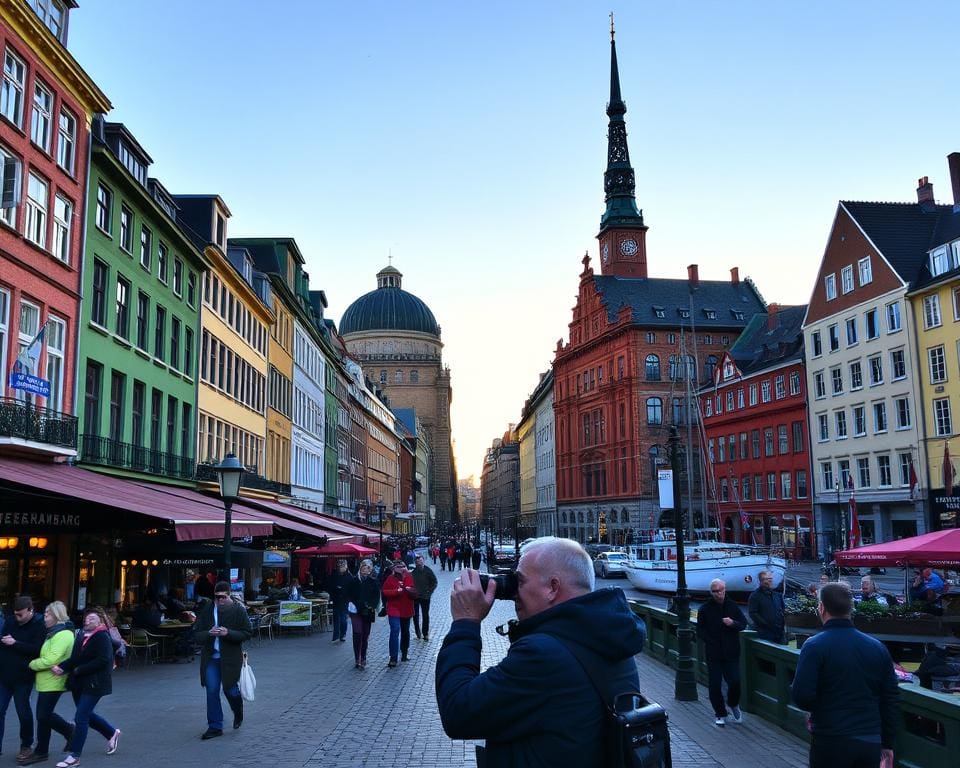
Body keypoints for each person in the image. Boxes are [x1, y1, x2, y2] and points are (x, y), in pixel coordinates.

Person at [436, 537, 646, 767]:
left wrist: (465, 623)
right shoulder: (608, 638)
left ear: (552, 588)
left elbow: (458, 711)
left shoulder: (544, 655)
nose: (514, 592)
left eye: (520, 582)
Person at [791, 582, 899, 768]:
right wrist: (887, 744)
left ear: (822, 608)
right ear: (851, 609)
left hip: (831, 738)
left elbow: (802, 696)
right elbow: (890, 699)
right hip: (869, 739)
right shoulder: (877, 648)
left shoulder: (815, 646)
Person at [51, 609, 121, 767]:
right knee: (86, 714)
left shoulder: (102, 636)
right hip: (79, 683)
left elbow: (104, 660)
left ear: (100, 622)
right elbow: (76, 658)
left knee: (81, 717)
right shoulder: (82, 635)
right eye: (86, 618)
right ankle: (111, 732)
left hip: (95, 683)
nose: (87, 620)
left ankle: (75, 756)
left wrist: (79, 670)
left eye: (92, 618)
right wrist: (63, 667)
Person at [193, 581, 252, 740]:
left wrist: (228, 633)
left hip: (231, 658)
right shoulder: (208, 610)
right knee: (211, 690)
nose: (219, 601)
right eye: (216, 597)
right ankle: (215, 726)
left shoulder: (238, 611)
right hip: (211, 658)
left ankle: (237, 709)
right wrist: (209, 634)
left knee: (230, 689)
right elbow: (197, 635)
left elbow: (247, 632)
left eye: (223, 597)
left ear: (229, 595)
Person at [21, 602, 74, 765]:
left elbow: (51, 659)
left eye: (47, 614)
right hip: (47, 681)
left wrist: (31, 664)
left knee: (43, 716)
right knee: (44, 717)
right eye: (44, 614)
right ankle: (43, 749)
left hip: (54, 681)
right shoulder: (52, 633)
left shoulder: (63, 634)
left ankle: (67, 732)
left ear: (57, 616)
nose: (44, 617)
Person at [0, 596, 46, 763]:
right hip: (4, 675)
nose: (17, 617)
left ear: (30, 611)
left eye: (21, 615)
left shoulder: (39, 625)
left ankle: (26, 745)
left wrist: (15, 643)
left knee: (23, 711)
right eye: (15, 614)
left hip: (23, 677)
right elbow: (3, 641)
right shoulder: (11, 621)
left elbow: (38, 650)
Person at [697, 578, 747, 728]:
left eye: (720, 590)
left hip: (731, 651)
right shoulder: (705, 609)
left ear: (725, 590)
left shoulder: (732, 606)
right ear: (711, 592)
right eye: (715, 591)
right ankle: (720, 713)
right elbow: (700, 629)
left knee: (735, 681)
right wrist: (710, 640)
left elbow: (743, 624)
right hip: (714, 652)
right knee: (715, 684)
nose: (718, 594)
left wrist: (733, 623)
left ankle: (733, 703)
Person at [348, 559, 381, 670]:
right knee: (357, 634)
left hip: (368, 612)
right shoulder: (353, 580)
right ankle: (357, 658)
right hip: (356, 612)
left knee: (365, 636)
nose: (365, 569)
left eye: (368, 568)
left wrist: (370, 605)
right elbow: (349, 595)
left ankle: (363, 657)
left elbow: (376, 597)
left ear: (370, 569)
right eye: (364, 567)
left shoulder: (373, 581)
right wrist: (353, 604)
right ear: (360, 568)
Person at [382, 561, 416, 666]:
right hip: (394, 609)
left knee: (405, 632)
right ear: (394, 568)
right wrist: (397, 591)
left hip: (406, 608)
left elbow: (415, 591)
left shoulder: (409, 577)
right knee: (395, 630)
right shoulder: (390, 579)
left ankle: (404, 653)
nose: (400, 568)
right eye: (398, 566)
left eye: (402, 566)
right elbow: (385, 591)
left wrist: (408, 589)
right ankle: (393, 657)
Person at [747, 570, 785, 643]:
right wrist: (766, 624)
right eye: (768, 579)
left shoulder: (777, 595)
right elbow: (753, 613)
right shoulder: (755, 596)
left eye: (771, 579)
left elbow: (782, 610)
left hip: (779, 633)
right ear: (761, 581)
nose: (770, 581)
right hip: (765, 634)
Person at [411, 555, 438, 641]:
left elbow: (434, 582)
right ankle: (417, 631)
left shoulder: (428, 571)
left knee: (425, 615)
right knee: (415, 615)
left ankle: (425, 633)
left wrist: (429, 592)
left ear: (423, 561)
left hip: (425, 597)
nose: (419, 563)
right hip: (415, 597)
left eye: (420, 561)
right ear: (415, 563)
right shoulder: (413, 572)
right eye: (417, 562)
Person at [328, 560, 353, 643]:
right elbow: (330, 586)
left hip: (345, 600)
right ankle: (335, 636)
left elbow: (351, 589)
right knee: (336, 618)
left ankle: (343, 634)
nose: (340, 568)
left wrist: (344, 591)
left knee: (343, 618)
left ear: (346, 567)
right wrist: (334, 591)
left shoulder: (349, 577)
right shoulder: (334, 575)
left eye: (342, 566)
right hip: (336, 599)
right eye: (339, 566)